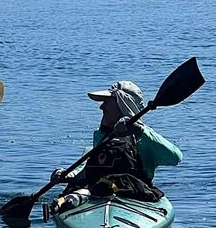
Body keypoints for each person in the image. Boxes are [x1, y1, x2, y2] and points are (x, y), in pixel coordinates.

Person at [53, 80, 182, 212]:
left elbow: (175, 157)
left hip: (134, 193)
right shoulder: (101, 136)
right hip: (95, 192)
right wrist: (70, 174)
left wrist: (140, 131)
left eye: (107, 102)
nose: (101, 107)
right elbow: (92, 168)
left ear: (123, 105)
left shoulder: (143, 137)